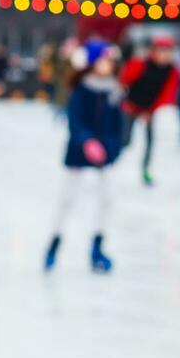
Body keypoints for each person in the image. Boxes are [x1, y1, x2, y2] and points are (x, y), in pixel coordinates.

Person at [46, 41, 124, 273]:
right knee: (68, 199)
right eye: (103, 59)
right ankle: (54, 244)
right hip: (79, 153)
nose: (107, 64)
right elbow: (75, 121)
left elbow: (118, 126)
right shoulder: (81, 89)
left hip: (105, 154)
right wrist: (87, 141)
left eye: (110, 60)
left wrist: (110, 148)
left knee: (107, 199)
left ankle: (97, 247)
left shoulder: (114, 90)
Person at [119, 35, 180, 186]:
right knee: (125, 139)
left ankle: (145, 170)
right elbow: (124, 81)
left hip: (149, 110)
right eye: (161, 51)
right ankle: (107, 161)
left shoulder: (172, 71)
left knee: (150, 142)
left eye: (168, 51)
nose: (165, 55)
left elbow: (168, 94)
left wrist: (151, 111)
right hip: (131, 106)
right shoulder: (141, 64)